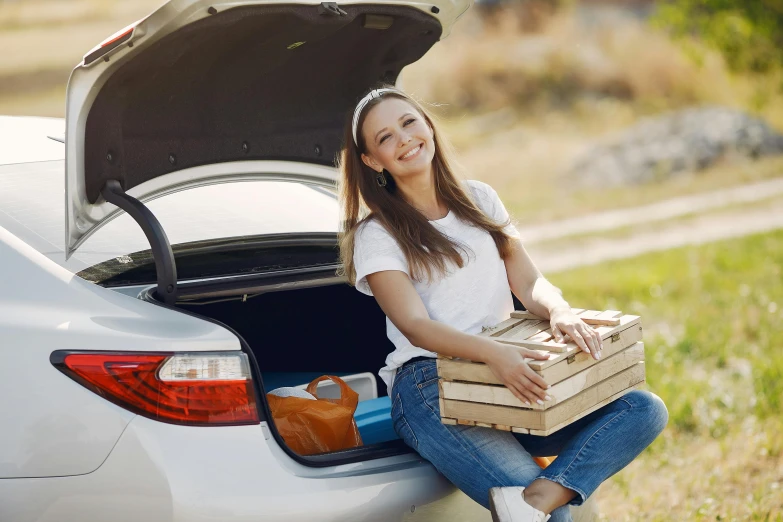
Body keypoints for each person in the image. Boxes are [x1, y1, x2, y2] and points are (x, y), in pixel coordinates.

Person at [337, 86, 668, 522]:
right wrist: (496, 355)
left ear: (428, 126)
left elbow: (528, 281)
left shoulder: (479, 198)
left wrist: (558, 310)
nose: (403, 138)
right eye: (384, 138)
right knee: (557, 520)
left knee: (643, 409)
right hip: (431, 387)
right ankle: (535, 509)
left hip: (505, 376)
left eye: (408, 122)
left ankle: (529, 505)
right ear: (372, 161)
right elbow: (414, 325)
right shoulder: (376, 234)